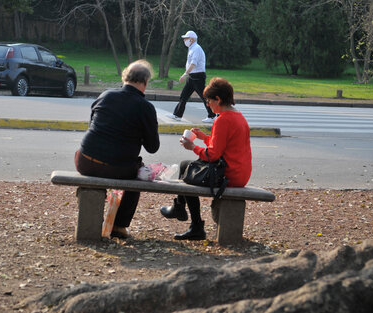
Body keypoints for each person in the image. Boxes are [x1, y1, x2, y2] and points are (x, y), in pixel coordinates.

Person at [75, 59, 159, 239]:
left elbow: (92, 125)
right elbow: (153, 147)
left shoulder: (105, 95)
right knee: (137, 174)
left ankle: (90, 220)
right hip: (118, 168)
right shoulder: (145, 107)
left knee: (96, 160)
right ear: (145, 82)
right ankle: (119, 226)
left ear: (124, 77)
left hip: (85, 161)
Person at [160, 77, 252, 240]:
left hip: (228, 175)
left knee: (187, 169)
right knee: (186, 166)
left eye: (209, 101)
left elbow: (212, 155)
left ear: (218, 99)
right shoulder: (238, 116)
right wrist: (204, 137)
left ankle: (194, 224)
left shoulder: (223, 119)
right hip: (240, 171)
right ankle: (180, 209)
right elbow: (224, 145)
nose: (207, 105)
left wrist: (192, 147)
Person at [166, 30, 217, 124]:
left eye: (186, 38)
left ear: (192, 39)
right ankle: (177, 115)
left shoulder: (196, 48)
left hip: (198, 77)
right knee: (184, 96)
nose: (184, 40)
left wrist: (185, 74)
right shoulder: (192, 48)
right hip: (192, 76)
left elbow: (193, 64)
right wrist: (188, 74)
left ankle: (212, 115)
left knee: (204, 97)